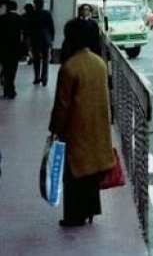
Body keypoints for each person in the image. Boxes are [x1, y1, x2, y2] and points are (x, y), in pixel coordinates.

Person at [48, 18, 114, 227]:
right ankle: (90, 211)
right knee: (92, 170)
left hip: (76, 128)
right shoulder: (99, 63)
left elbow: (62, 104)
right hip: (98, 126)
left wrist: (55, 129)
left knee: (75, 172)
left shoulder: (70, 67)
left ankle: (74, 216)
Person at [26, 0, 55, 86]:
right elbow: (51, 27)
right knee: (45, 60)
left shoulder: (32, 14)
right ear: (43, 4)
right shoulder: (47, 13)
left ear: (35, 4)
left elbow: (29, 28)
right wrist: (51, 39)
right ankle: (44, 78)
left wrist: (28, 41)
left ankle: (37, 77)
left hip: (35, 39)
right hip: (46, 39)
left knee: (36, 59)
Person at [0, 0, 25, 99]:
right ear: (16, 7)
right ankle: (10, 89)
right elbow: (24, 33)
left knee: (5, 69)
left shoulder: (1, 18)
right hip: (15, 48)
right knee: (13, 69)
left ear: (8, 7)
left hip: (3, 47)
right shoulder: (19, 19)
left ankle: (7, 89)